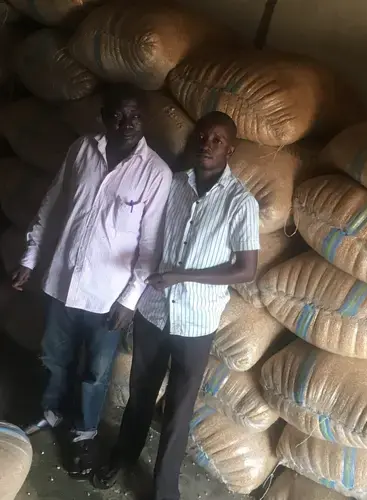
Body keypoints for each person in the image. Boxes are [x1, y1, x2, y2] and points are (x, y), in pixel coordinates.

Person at [94, 111, 260, 500]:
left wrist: (183, 276)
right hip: (153, 312)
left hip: (196, 322)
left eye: (218, 140)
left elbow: (245, 269)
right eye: (203, 136)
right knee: (140, 392)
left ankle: (163, 487)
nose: (207, 144)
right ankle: (123, 455)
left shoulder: (241, 203)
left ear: (230, 149)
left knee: (178, 410)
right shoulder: (174, 184)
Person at [12, 83, 172, 479]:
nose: (126, 123)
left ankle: (83, 433)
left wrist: (129, 300)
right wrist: (31, 259)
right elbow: (53, 205)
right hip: (62, 281)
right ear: (103, 117)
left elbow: (150, 246)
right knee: (52, 356)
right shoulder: (82, 149)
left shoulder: (156, 174)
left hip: (108, 297)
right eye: (117, 115)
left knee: (96, 372)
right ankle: (49, 411)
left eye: (134, 116)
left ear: (145, 119)